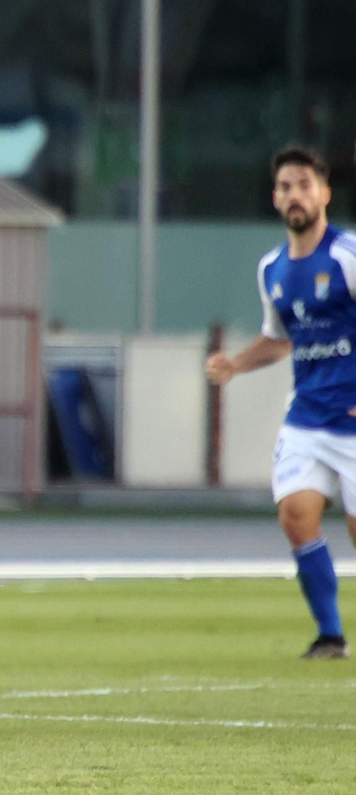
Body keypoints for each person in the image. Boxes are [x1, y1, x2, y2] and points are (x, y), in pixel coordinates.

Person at [207, 145, 355, 660]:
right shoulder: (272, 268)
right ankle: (331, 636)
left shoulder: (346, 258)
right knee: (295, 513)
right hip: (308, 416)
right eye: (287, 187)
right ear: (276, 198)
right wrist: (236, 364)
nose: (296, 195)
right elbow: (279, 338)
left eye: (305, 185)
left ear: (325, 194)